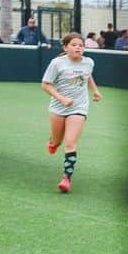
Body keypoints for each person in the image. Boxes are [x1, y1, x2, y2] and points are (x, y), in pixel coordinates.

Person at [40, 32, 102, 193]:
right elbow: (45, 85)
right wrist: (62, 99)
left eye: (81, 45)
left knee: (70, 142)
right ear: (66, 47)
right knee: (57, 141)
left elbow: (88, 76)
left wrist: (95, 90)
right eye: (74, 45)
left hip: (79, 107)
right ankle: (53, 142)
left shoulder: (89, 62)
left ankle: (66, 178)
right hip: (58, 107)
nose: (78, 48)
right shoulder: (57, 63)